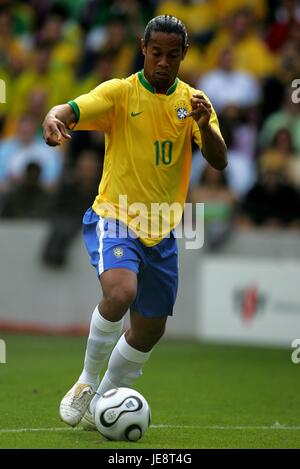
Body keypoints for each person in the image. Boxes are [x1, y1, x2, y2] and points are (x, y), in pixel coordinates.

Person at [42, 15, 227, 429]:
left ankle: (102, 401)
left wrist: (202, 124)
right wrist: (52, 119)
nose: (163, 62)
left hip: (160, 229)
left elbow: (219, 159)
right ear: (143, 48)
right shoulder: (120, 94)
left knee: (149, 330)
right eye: (156, 53)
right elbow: (69, 109)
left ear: (184, 55)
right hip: (116, 214)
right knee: (121, 291)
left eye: (172, 55)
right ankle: (86, 383)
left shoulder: (194, 102)